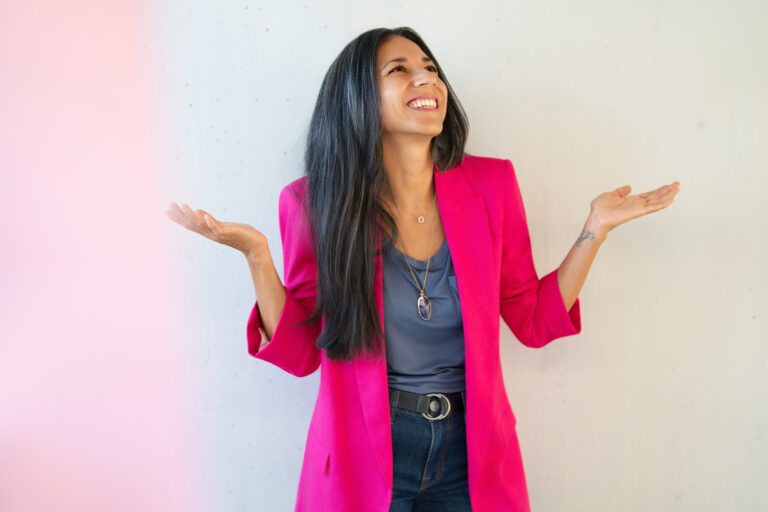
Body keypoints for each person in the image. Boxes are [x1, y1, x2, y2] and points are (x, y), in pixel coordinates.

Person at [167, 26, 680, 512]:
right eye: (399, 69)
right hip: (364, 453)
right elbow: (301, 353)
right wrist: (257, 256)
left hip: (471, 452)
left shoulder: (493, 185)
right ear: (359, 97)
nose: (426, 78)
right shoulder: (312, 204)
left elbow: (532, 320)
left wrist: (594, 230)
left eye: (430, 68)